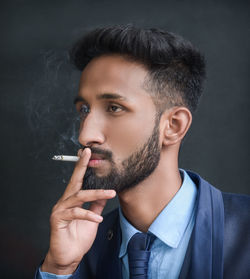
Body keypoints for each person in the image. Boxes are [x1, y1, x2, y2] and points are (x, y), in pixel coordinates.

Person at [35, 25, 250, 279]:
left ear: (173, 126)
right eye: (84, 110)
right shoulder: (79, 250)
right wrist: (58, 270)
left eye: (114, 108)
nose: (85, 135)